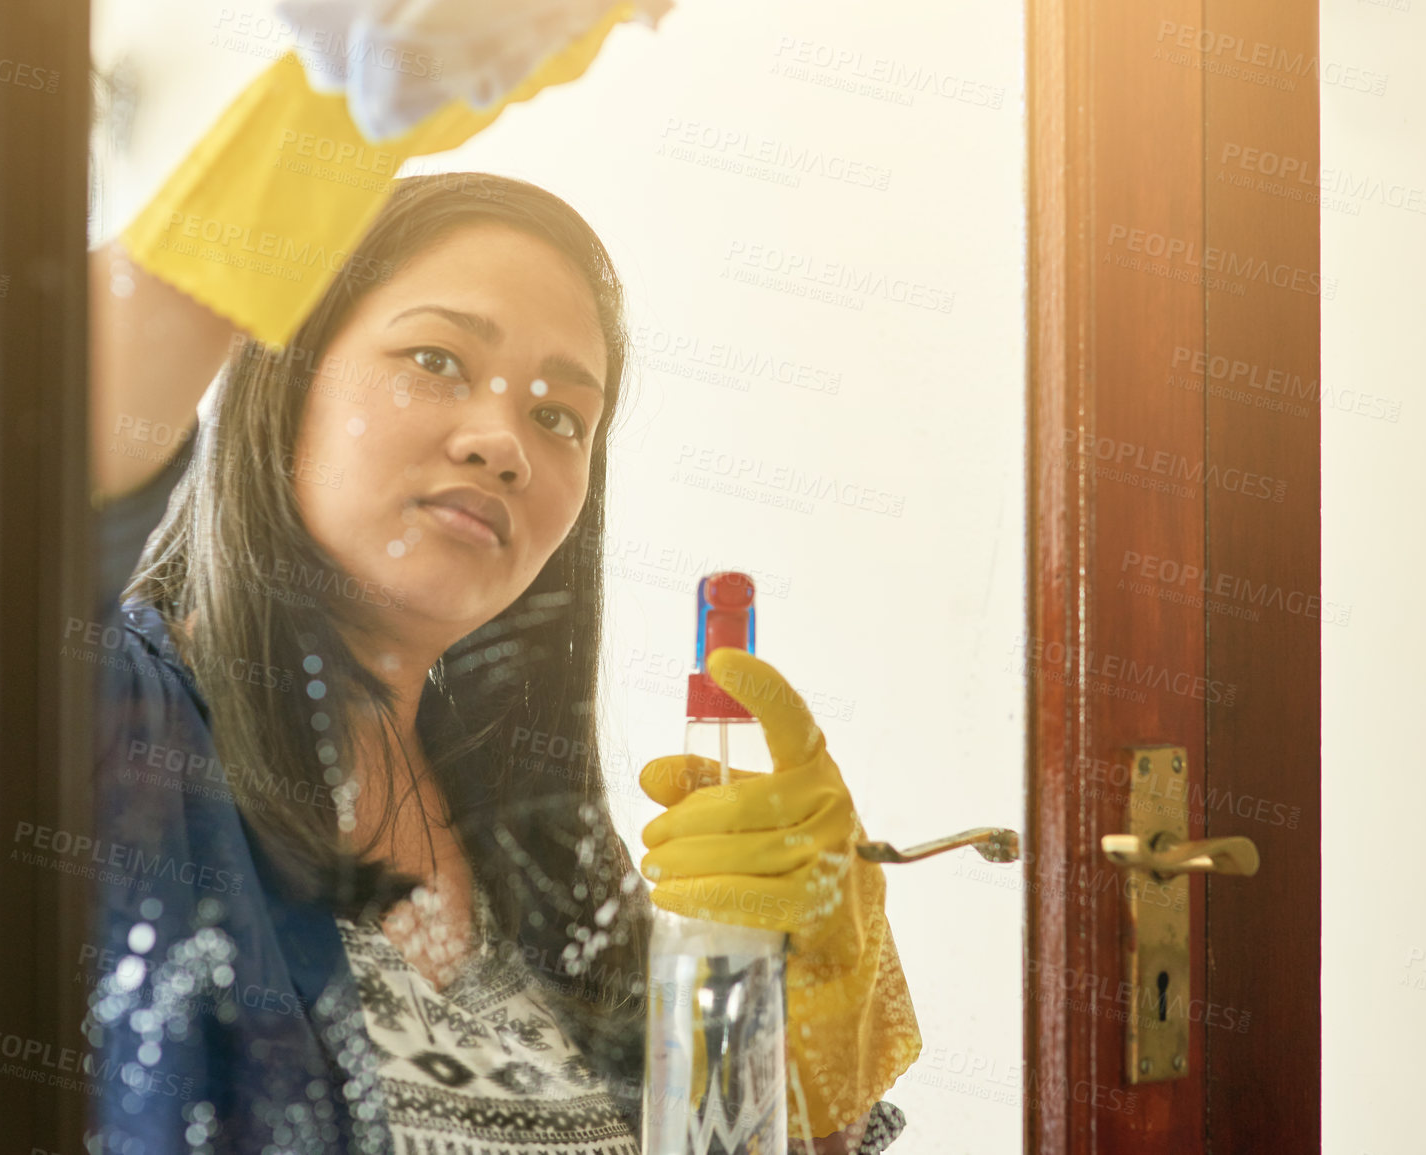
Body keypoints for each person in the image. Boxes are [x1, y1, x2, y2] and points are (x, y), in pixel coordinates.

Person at [85, 20, 918, 1155]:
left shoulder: (555, 861)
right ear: (287, 380)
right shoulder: (118, 736)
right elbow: (10, 457)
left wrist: (786, 1076)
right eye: (435, 360)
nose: (503, 441)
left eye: (559, 413)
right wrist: (321, 125)